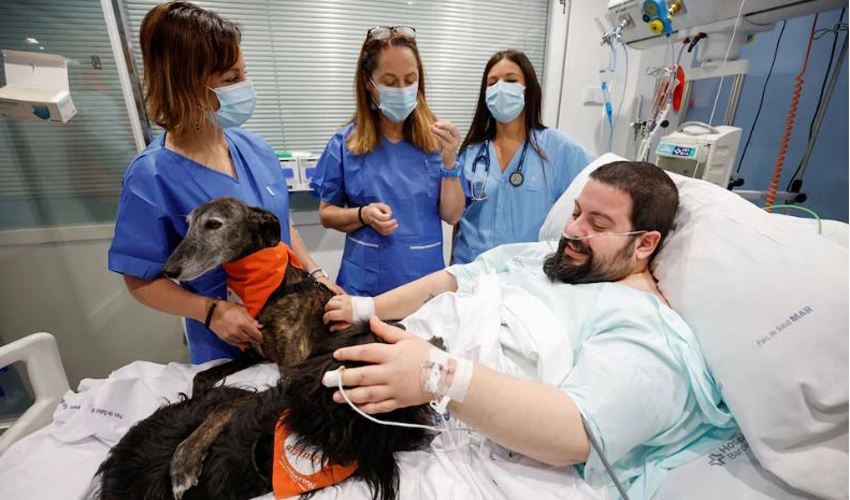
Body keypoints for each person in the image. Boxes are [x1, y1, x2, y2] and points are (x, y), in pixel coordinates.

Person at [322, 161, 736, 498]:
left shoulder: (643, 328)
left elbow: (576, 431)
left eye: (598, 223)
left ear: (644, 244)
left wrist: (438, 375)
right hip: (404, 383)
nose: (573, 230)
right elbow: (456, 278)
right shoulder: (542, 257)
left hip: (460, 438)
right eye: (575, 212)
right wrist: (367, 307)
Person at [108, 1, 341, 364]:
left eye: (243, 74)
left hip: (296, 332)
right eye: (231, 79)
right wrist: (210, 311)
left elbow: (280, 224)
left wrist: (316, 273)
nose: (245, 87)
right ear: (187, 83)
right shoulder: (151, 176)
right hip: (232, 347)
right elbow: (140, 280)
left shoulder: (256, 149)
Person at [310, 26, 465, 296]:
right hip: (366, 283)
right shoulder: (345, 143)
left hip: (424, 283)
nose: (402, 90)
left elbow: (452, 215)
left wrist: (449, 161)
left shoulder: (436, 140)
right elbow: (326, 214)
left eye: (410, 79)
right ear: (368, 83)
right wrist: (362, 214)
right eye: (390, 82)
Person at [453, 50, 596, 264]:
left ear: (528, 89)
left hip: (527, 273)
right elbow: (458, 219)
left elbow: (604, 185)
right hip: (471, 269)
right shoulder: (473, 153)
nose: (500, 88)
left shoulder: (557, 148)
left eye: (510, 80)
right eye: (492, 83)